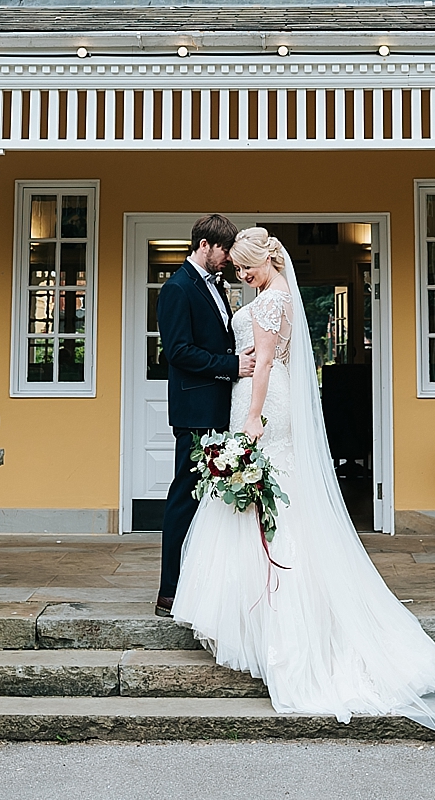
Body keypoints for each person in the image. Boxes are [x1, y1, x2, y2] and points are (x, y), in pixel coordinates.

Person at [170, 227, 435, 734]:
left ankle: (273, 625)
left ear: (265, 261)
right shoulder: (277, 298)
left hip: (260, 404)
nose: (240, 276)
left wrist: (252, 417)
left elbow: (260, 371)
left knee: (267, 503)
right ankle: (256, 621)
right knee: (268, 500)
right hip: (263, 398)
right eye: (235, 270)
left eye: (245, 268)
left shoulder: (269, 304)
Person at [154, 213, 255, 617]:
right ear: (204, 245)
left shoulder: (216, 285)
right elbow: (177, 351)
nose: (229, 258)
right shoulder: (177, 289)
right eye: (225, 250)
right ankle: (169, 591)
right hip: (195, 412)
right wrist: (231, 365)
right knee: (185, 496)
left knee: (211, 500)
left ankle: (203, 585)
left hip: (218, 408)